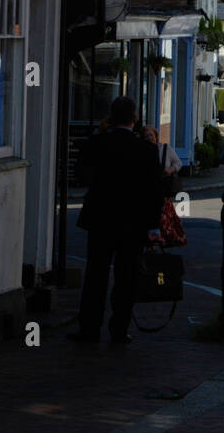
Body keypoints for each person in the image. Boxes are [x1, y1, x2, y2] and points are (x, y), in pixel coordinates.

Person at [69, 96, 164, 345]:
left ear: (110, 118)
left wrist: (98, 133)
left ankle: (89, 328)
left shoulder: (98, 142)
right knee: (127, 277)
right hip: (133, 222)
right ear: (134, 119)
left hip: (101, 219)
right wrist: (154, 226)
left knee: (95, 275)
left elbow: (81, 175)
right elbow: (155, 190)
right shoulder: (146, 149)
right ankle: (119, 329)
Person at [143, 124, 182, 198]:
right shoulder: (142, 151)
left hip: (164, 187)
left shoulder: (165, 148)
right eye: (146, 136)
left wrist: (170, 170)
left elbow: (178, 163)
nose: (149, 138)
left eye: (151, 135)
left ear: (156, 136)